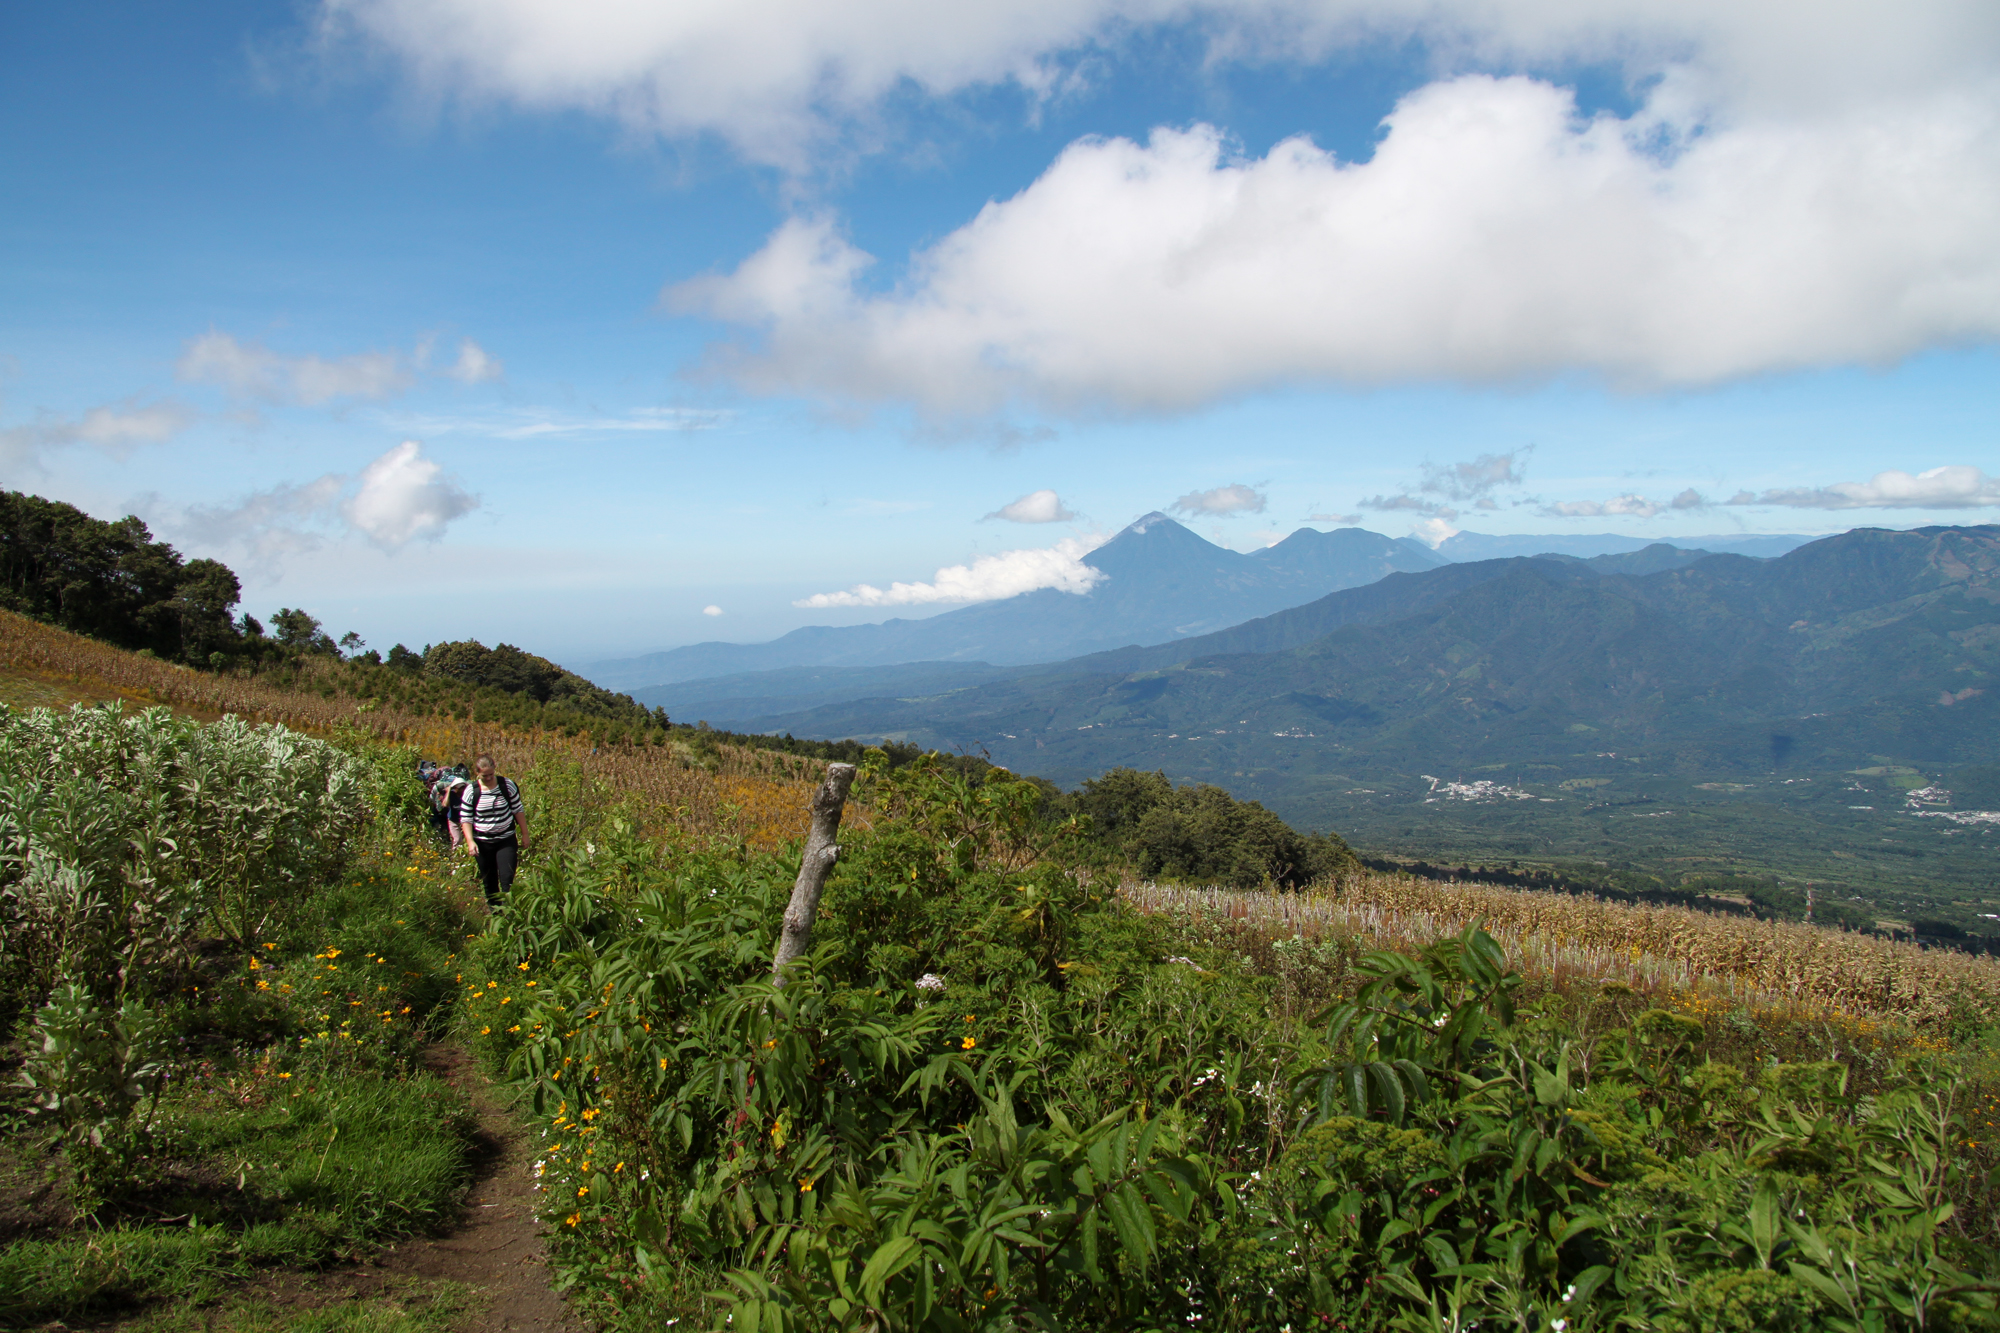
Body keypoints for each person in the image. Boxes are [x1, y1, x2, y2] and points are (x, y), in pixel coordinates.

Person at [459, 754, 527, 910]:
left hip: (506, 839)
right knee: (489, 881)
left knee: (507, 879)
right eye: (484, 776)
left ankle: (510, 913)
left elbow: (518, 809)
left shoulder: (507, 785)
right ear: (477, 773)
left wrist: (525, 834)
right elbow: (466, 818)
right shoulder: (471, 791)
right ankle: (496, 916)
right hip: (483, 843)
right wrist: (470, 842)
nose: (489, 778)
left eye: (491, 774)